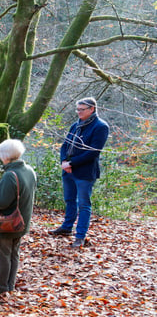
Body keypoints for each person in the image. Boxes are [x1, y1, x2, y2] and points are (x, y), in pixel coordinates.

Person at [49, 97, 110, 248]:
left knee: (83, 205)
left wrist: (71, 163)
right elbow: (64, 145)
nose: (78, 112)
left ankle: (80, 236)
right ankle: (66, 228)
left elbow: (93, 152)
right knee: (69, 200)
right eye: (77, 109)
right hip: (68, 170)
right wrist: (64, 162)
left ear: (92, 109)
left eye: (81, 110)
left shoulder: (101, 126)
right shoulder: (76, 125)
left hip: (84, 172)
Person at [0, 139, 37, 294]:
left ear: (6, 156)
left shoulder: (10, 175)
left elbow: (0, 202)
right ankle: (9, 285)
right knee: (13, 254)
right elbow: (18, 189)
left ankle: (1, 287)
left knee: (2, 256)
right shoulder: (28, 170)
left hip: (6, 223)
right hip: (21, 222)